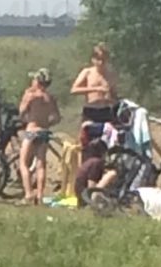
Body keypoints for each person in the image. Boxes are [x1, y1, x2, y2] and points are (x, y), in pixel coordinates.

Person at [17, 69, 61, 203]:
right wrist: (47, 123)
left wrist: (27, 118)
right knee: (41, 165)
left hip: (31, 130)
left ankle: (28, 193)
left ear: (37, 81)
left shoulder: (31, 95)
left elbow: (21, 111)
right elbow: (57, 117)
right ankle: (40, 195)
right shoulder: (50, 98)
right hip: (44, 131)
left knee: (23, 163)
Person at [70, 43, 118, 145]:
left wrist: (112, 98)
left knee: (107, 141)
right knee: (86, 141)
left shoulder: (111, 74)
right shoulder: (87, 72)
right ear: (93, 59)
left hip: (105, 110)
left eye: (103, 59)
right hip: (90, 110)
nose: (101, 62)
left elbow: (115, 94)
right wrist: (96, 89)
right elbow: (74, 89)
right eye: (98, 59)